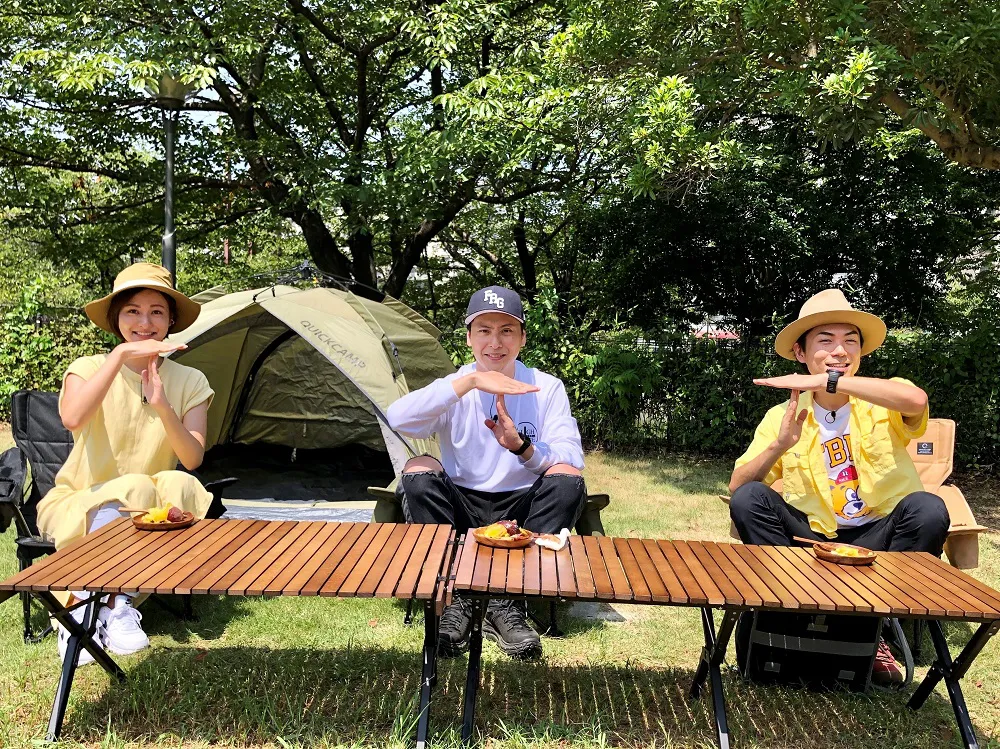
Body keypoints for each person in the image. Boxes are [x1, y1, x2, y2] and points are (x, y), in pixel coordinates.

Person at [729, 288, 950, 684]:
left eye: (850, 341)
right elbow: (738, 486)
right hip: (813, 540)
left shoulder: (883, 398)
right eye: (826, 341)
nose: (840, 351)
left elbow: (916, 400)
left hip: (878, 537)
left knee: (928, 508)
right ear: (800, 352)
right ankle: (788, 612)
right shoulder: (784, 415)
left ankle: (878, 626)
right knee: (750, 498)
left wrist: (832, 383)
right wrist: (780, 445)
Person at [387, 286, 586, 659]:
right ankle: (456, 598)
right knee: (417, 469)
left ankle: (504, 602)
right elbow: (397, 418)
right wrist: (472, 382)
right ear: (469, 337)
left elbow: (571, 455)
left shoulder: (546, 388)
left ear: (522, 338)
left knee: (566, 478)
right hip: (461, 506)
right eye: (484, 330)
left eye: (507, 330)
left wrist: (523, 449)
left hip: (522, 511)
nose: (495, 342)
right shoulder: (454, 386)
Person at [37, 263, 218, 665]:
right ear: (117, 319)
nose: (145, 322)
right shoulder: (87, 367)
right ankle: (82, 607)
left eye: (157, 311)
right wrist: (119, 357)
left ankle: (115, 603)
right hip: (80, 502)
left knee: (179, 483)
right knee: (135, 486)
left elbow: (192, 457)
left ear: (171, 320)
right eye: (132, 311)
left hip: (152, 503)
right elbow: (71, 418)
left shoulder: (190, 381)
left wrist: (161, 404)